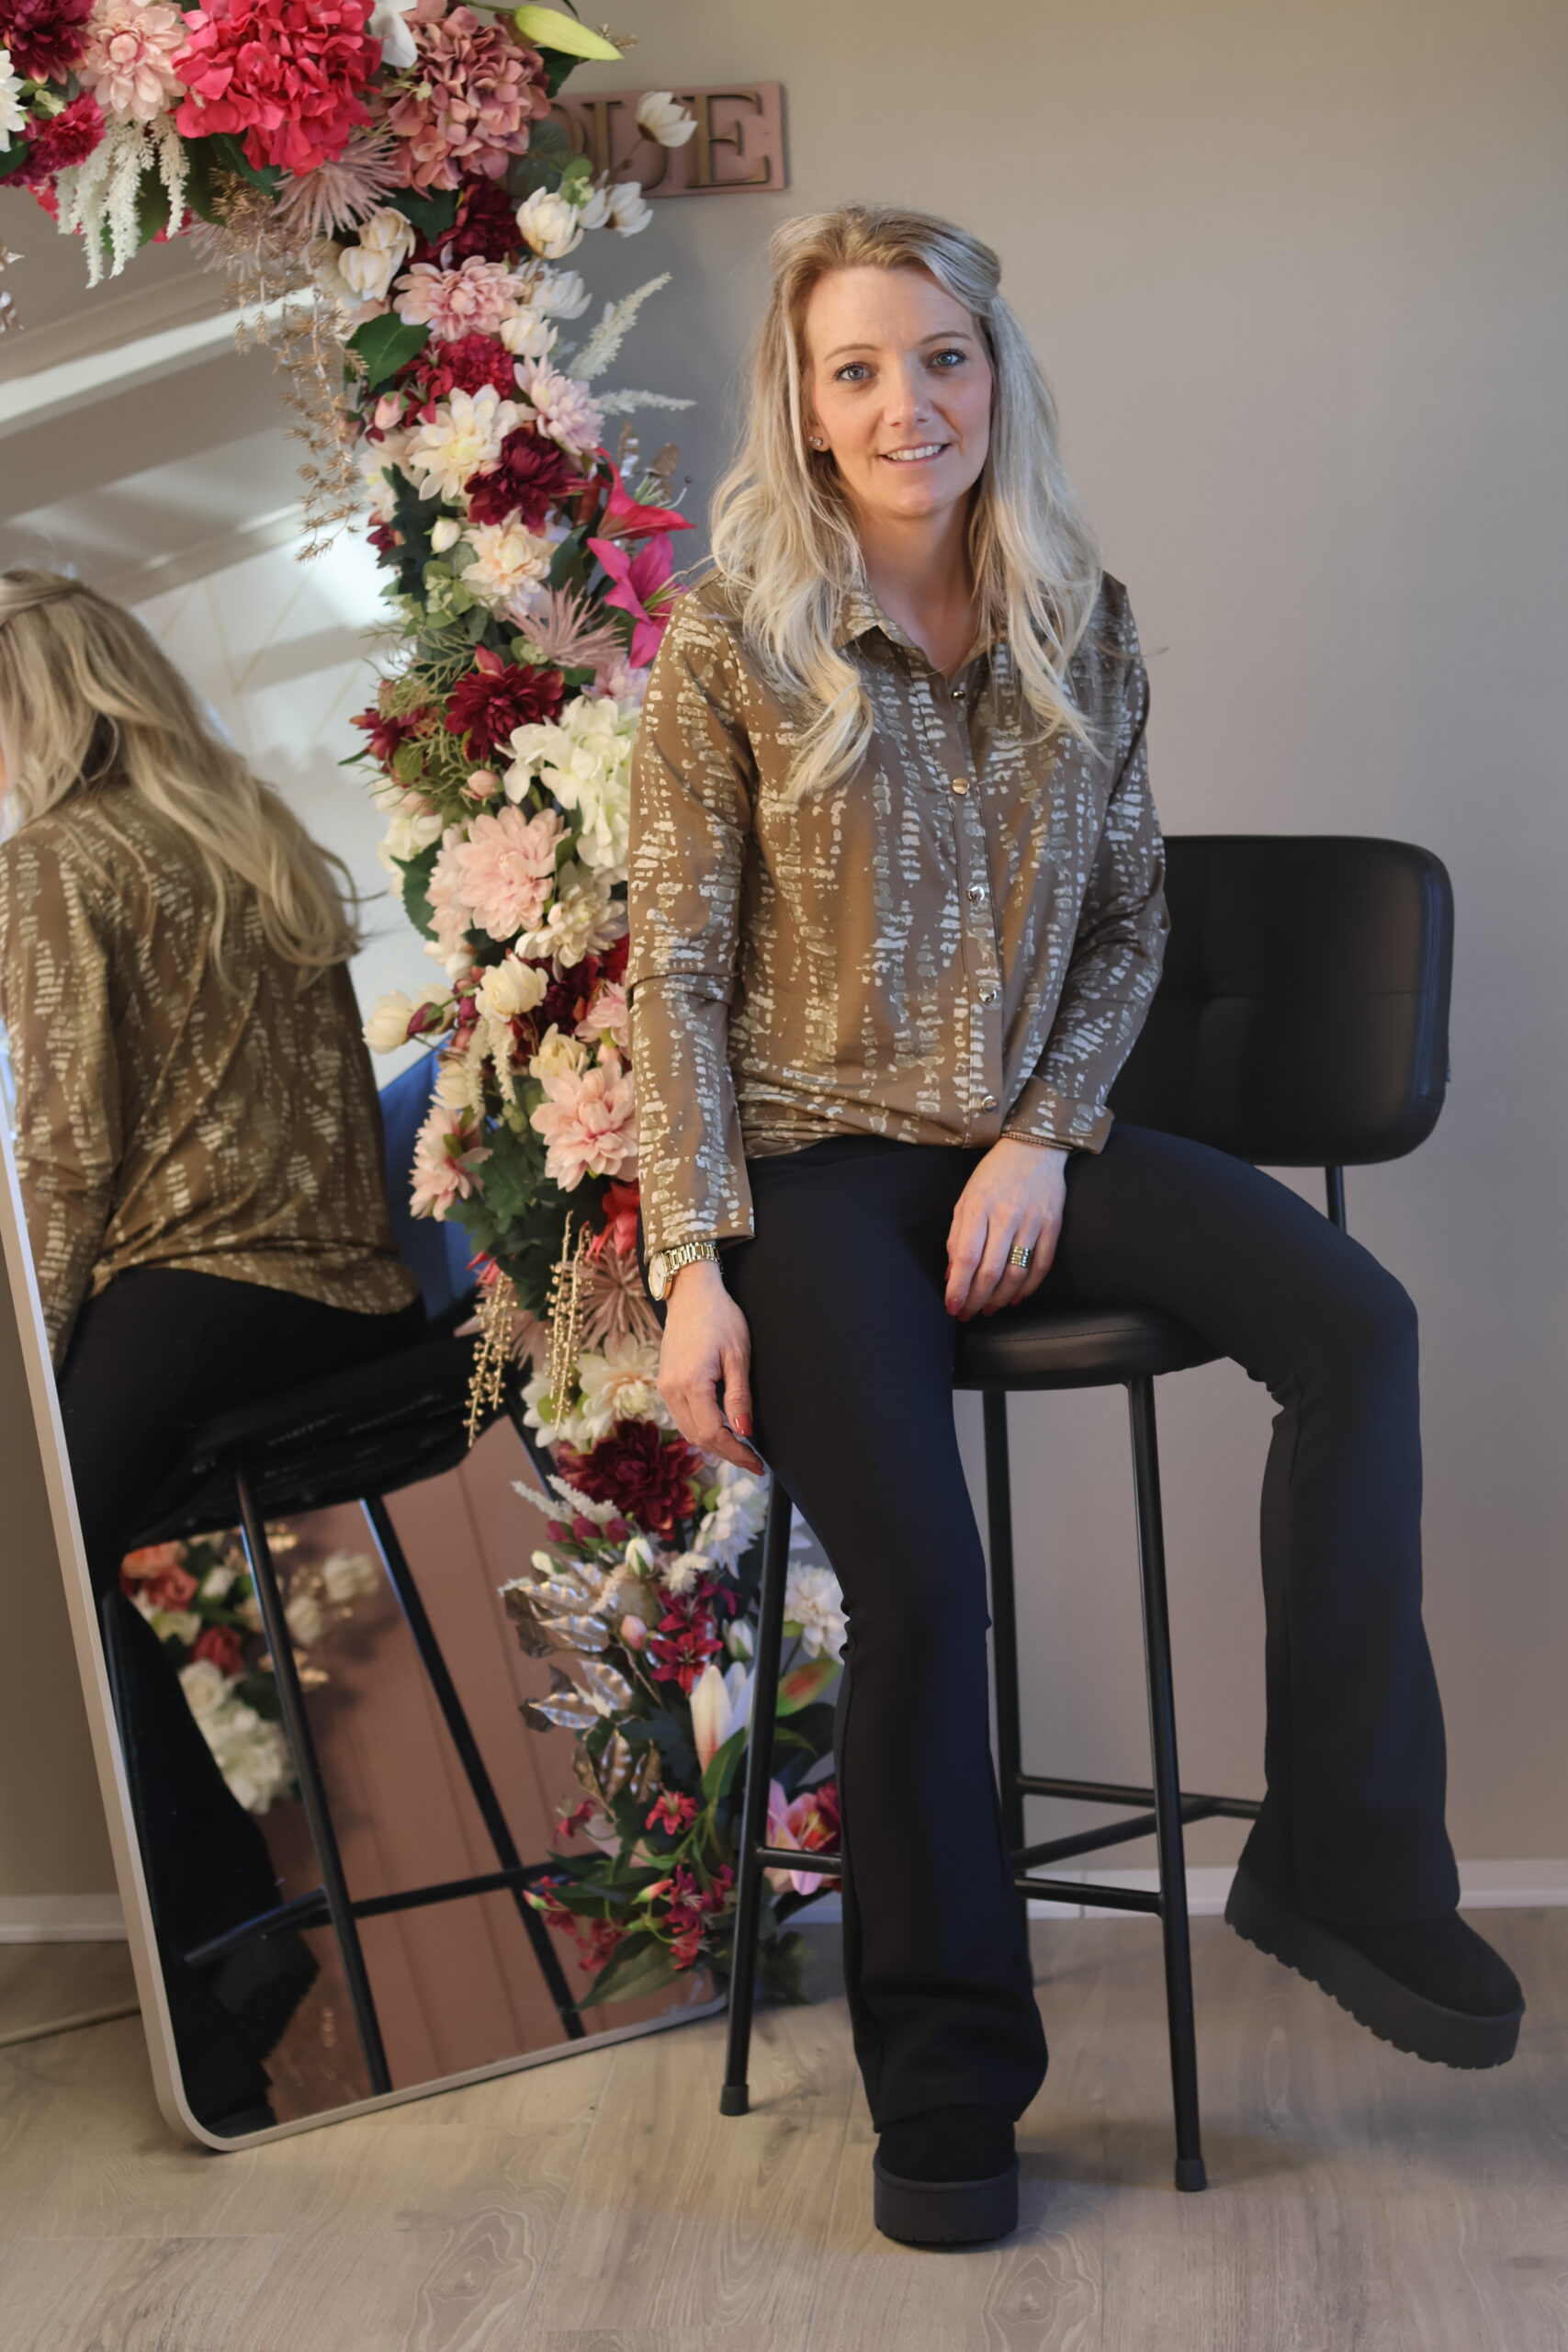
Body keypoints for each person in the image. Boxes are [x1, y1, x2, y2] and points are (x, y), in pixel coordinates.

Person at [624, 206, 1524, 2248]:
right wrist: (691, 1260)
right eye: (857, 367)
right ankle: (947, 2086)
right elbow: (668, 969)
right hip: (814, 1170)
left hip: (1031, 1143)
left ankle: (1343, 1860)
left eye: (940, 356)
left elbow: (1129, 923)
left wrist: (1041, 1136)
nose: (905, 402)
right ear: (804, 403)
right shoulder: (732, 640)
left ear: (994, 374)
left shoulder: (1076, 616)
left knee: (1356, 1325)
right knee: (924, 1586)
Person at [0, 568, 426, 2134]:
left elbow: (67, 1152)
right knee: (58, 1574)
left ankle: (229, 1968)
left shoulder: (53, 862)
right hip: (356, 1300)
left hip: (200, 1282)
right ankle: (229, 1963)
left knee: (30, 1569)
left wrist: (32, 1364)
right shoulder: (246, 829)